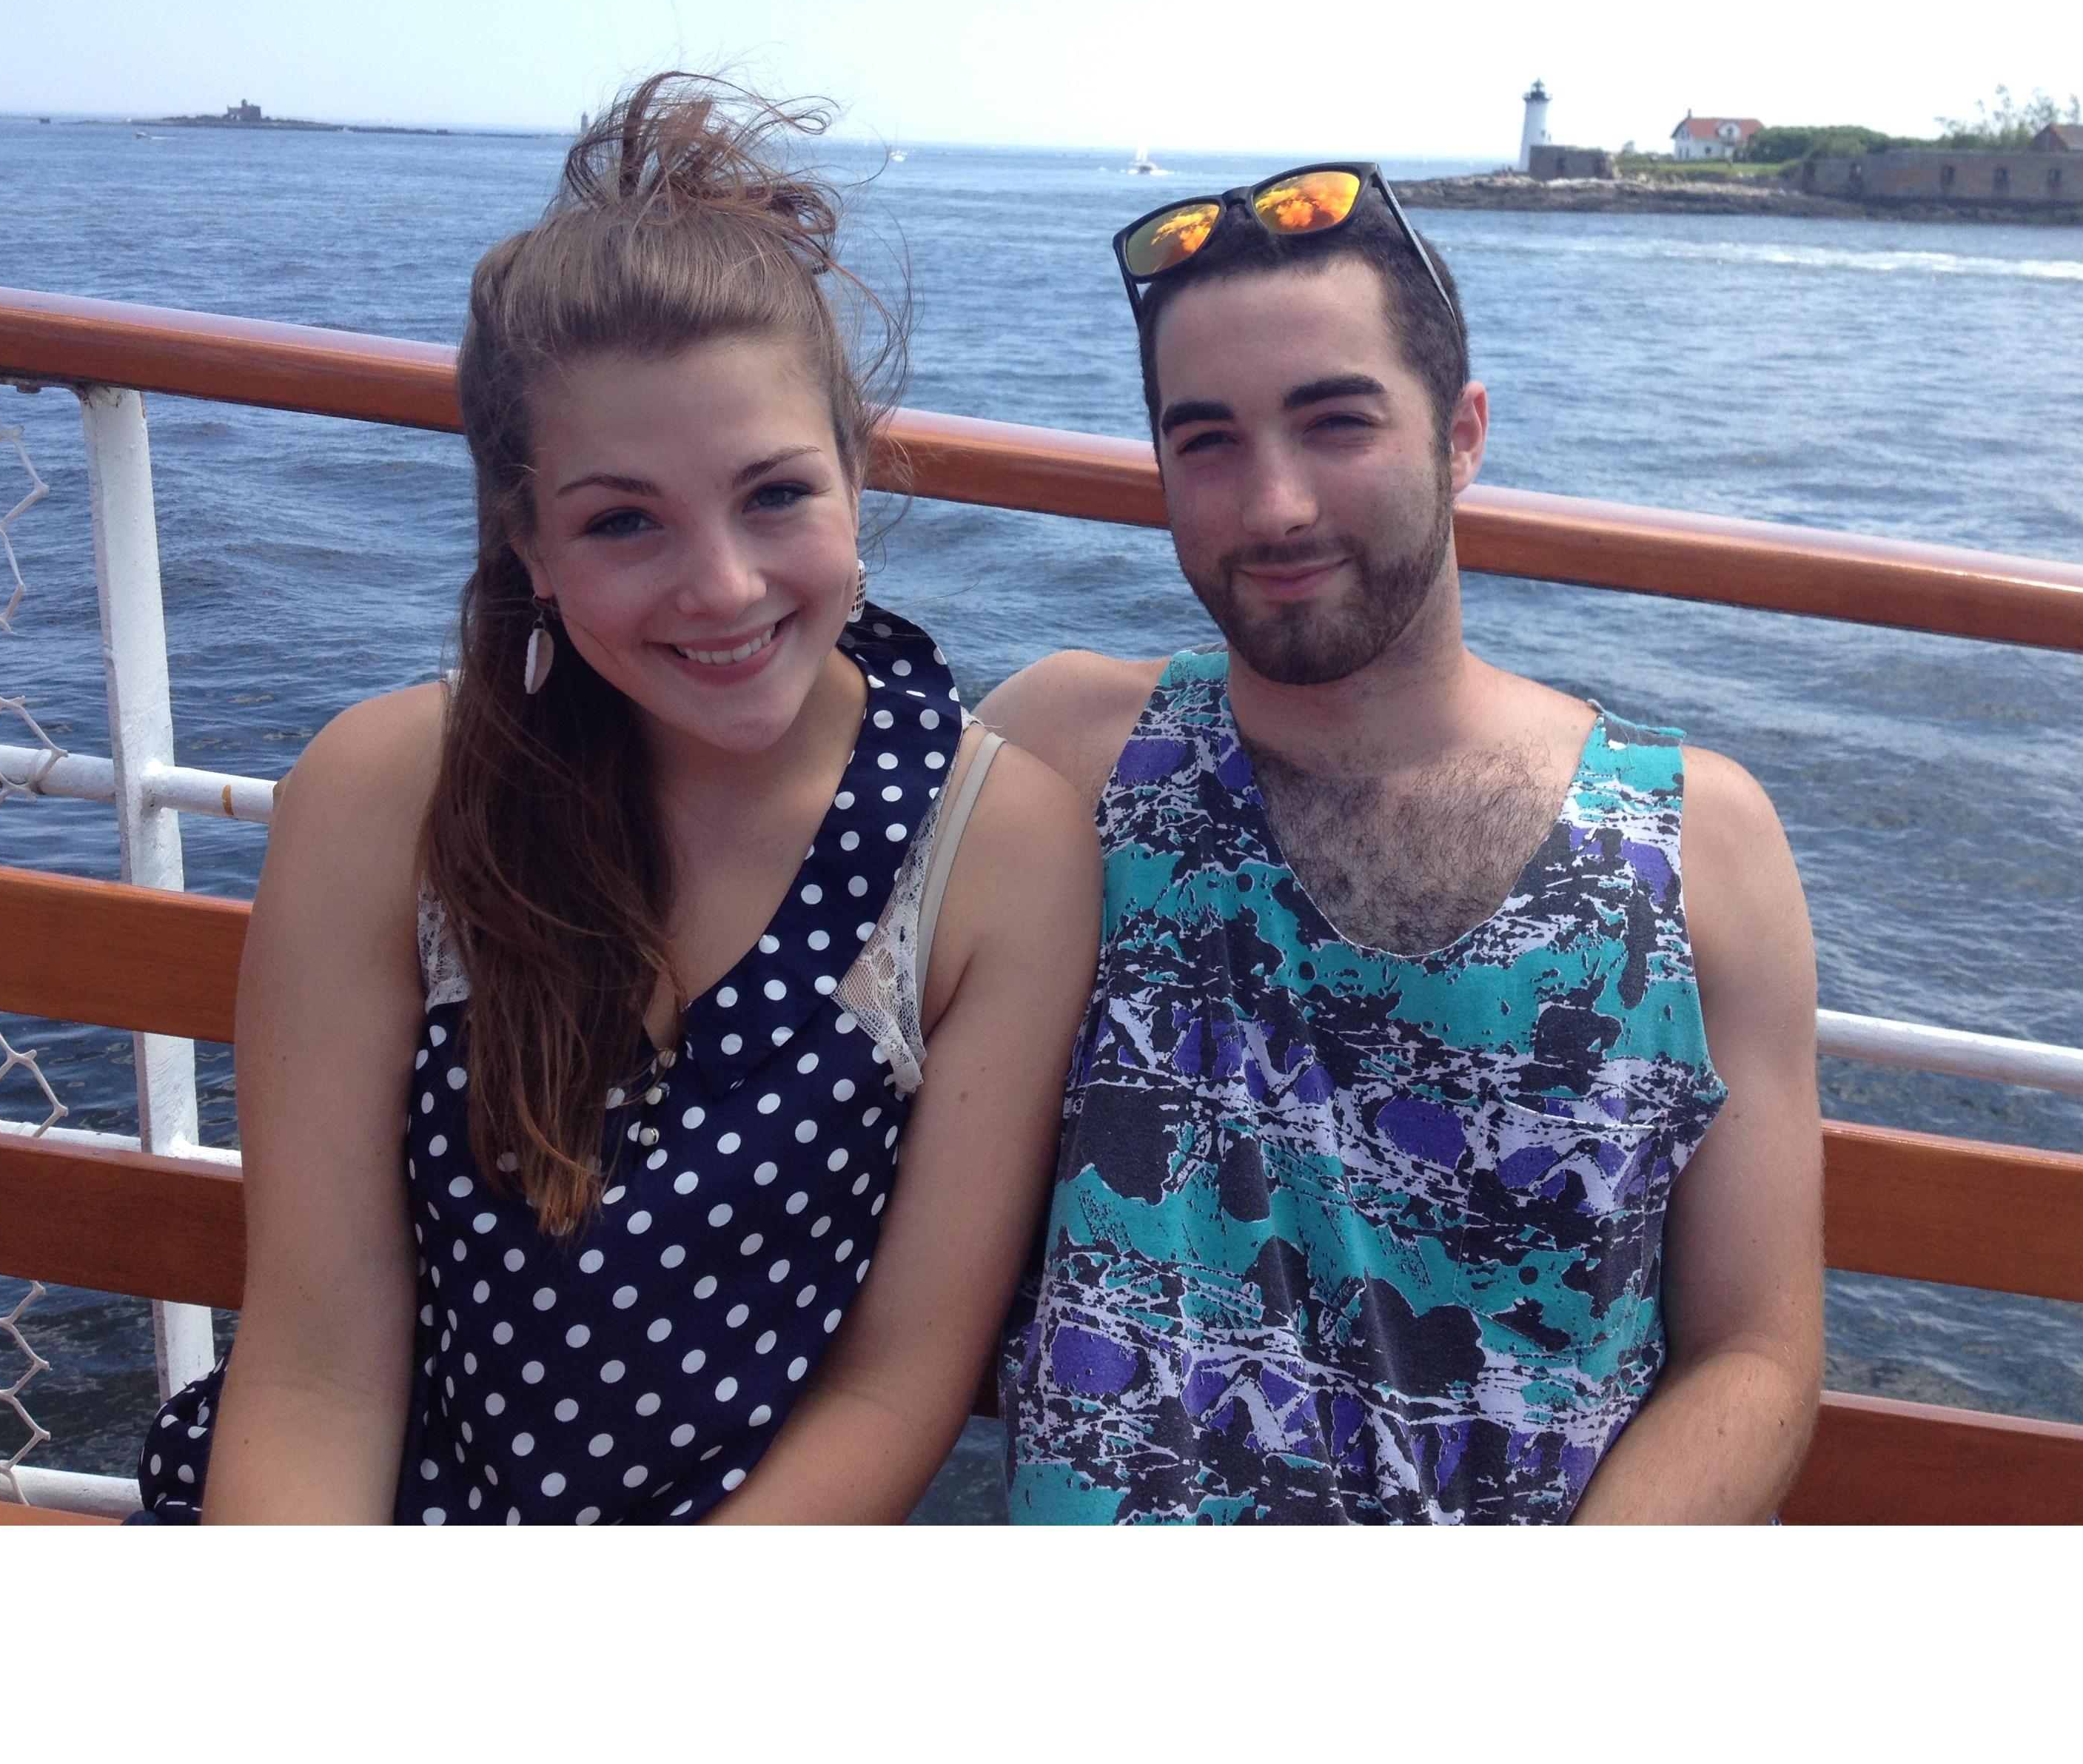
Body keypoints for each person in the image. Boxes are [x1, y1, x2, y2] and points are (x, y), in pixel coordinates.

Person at [138, 76, 1098, 1523]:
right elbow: (320, 1363)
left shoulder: (993, 849)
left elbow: (891, 1386)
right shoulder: (385, 798)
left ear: (858, 472)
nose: (720, 586)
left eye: (775, 495)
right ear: (525, 536)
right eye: (623, 520)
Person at [984, 164, 1824, 1523]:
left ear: (1463, 434)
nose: (1273, 507)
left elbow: (1760, 1353)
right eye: (1206, 441)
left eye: (1336, 423)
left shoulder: (1692, 842)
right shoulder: (1066, 757)